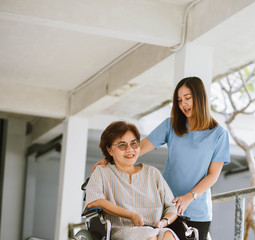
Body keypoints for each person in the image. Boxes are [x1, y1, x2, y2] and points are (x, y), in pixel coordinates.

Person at [93, 76, 230, 240]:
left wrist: (189, 197)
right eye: (179, 100)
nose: (183, 104)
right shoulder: (171, 125)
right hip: (166, 206)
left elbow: (213, 175)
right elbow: (139, 147)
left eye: (188, 98)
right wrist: (110, 159)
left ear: (200, 98)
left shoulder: (219, 134)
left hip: (197, 210)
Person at [86, 121, 179, 240]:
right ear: (109, 150)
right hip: (120, 231)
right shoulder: (102, 172)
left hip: (155, 228)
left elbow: (171, 207)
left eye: (134, 144)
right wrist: (130, 215)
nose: (130, 149)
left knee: (168, 235)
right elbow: (95, 201)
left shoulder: (152, 173)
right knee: (148, 236)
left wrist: (164, 222)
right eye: (122, 145)